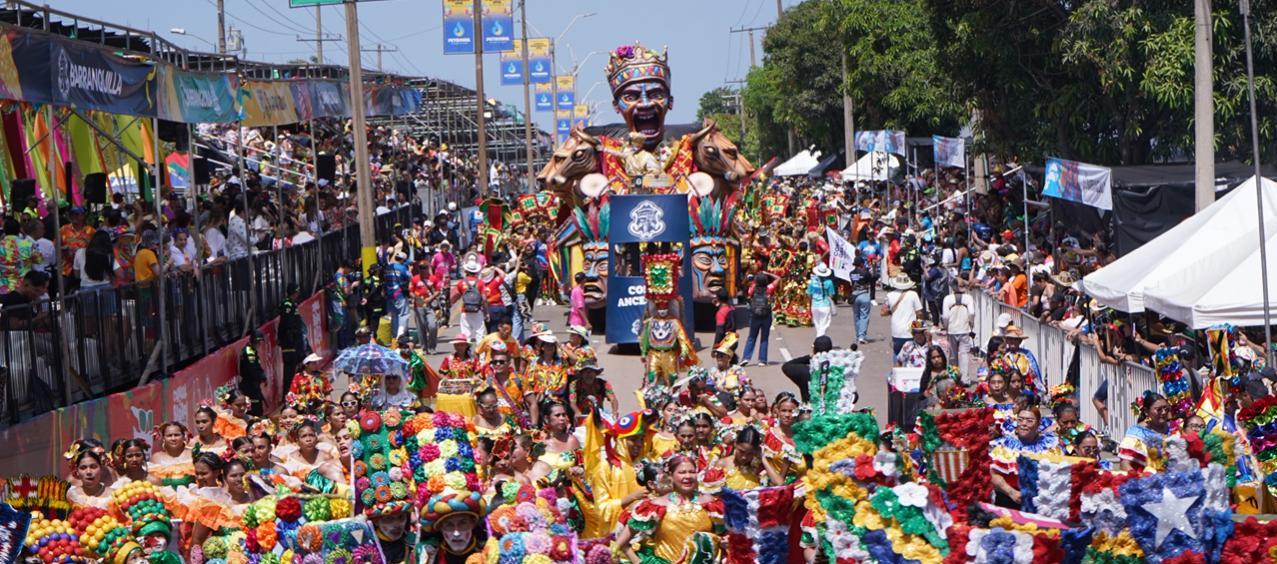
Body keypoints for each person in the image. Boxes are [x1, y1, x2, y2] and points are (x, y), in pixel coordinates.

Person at [614, 454, 723, 564]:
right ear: (670, 476)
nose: (688, 476)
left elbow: (727, 536)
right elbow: (621, 543)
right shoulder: (655, 506)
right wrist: (639, 562)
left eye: (692, 472)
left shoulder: (710, 503)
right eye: (682, 472)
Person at [990, 406, 1061, 507]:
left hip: (1041, 501)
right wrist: (1011, 492)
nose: (1024, 424)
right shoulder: (1005, 445)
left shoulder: (1050, 446)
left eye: (1029, 421)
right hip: (1009, 500)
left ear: (1038, 424)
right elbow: (992, 474)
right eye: (1020, 420)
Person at [1119, 392, 1171, 473]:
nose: (1164, 412)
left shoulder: (1174, 429)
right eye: (1159, 409)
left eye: (1166, 408)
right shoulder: (1136, 433)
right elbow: (1124, 464)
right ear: (1146, 411)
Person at [781, 335, 835, 403]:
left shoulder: (805, 371)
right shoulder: (837, 371)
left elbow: (786, 366)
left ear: (814, 349)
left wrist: (810, 356)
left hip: (811, 410)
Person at [741, 271, 778, 366]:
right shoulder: (769, 289)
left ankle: (746, 357)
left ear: (756, 281)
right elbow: (778, 279)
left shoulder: (752, 289)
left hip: (755, 316)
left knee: (751, 337)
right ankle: (762, 360)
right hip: (766, 316)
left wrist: (751, 278)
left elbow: (745, 286)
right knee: (764, 338)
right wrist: (768, 273)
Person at [277, 284, 309, 393]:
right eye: (297, 291)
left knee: (301, 364)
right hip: (289, 343)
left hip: (296, 341)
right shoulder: (287, 304)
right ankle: (288, 393)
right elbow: (286, 323)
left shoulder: (293, 304)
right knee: (289, 370)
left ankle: (300, 389)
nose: (298, 294)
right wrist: (290, 338)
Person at [942, 281, 975, 383]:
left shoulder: (947, 298)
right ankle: (965, 379)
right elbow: (972, 313)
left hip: (952, 329)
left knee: (952, 355)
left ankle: (953, 378)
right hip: (964, 329)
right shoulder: (968, 298)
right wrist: (971, 324)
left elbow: (946, 316)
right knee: (964, 354)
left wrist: (946, 327)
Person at [884, 274, 924, 358]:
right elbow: (919, 313)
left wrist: (891, 311)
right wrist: (919, 329)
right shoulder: (913, 294)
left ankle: (897, 369)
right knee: (912, 356)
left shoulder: (890, 295)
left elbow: (882, 312)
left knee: (897, 355)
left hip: (896, 331)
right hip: (910, 331)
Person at [451, 259, 487, 343]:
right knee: (480, 334)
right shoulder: (481, 283)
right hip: (478, 311)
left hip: (465, 311)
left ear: (466, 271)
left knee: (466, 335)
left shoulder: (461, 283)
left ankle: (467, 354)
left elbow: (455, 296)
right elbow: (484, 299)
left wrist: (451, 303)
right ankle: (481, 355)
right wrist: (486, 312)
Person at [238, 331, 267, 416]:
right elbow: (252, 369)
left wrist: (263, 376)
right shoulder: (249, 352)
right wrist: (261, 377)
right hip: (250, 384)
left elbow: (257, 366)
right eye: (257, 342)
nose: (259, 344)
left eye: (260, 342)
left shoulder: (252, 350)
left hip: (253, 383)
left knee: (257, 404)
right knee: (255, 406)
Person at [849, 255, 874, 344]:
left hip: (855, 295)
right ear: (861, 264)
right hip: (864, 294)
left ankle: (858, 335)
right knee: (864, 316)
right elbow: (871, 281)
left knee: (856, 316)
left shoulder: (851, 273)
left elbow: (853, 282)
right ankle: (862, 336)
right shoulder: (866, 273)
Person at [807, 263, 835, 338]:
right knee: (825, 324)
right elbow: (831, 295)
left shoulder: (812, 281)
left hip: (814, 305)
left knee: (818, 324)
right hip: (825, 305)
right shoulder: (829, 282)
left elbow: (809, 294)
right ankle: (818, 340)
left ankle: (819, 340)